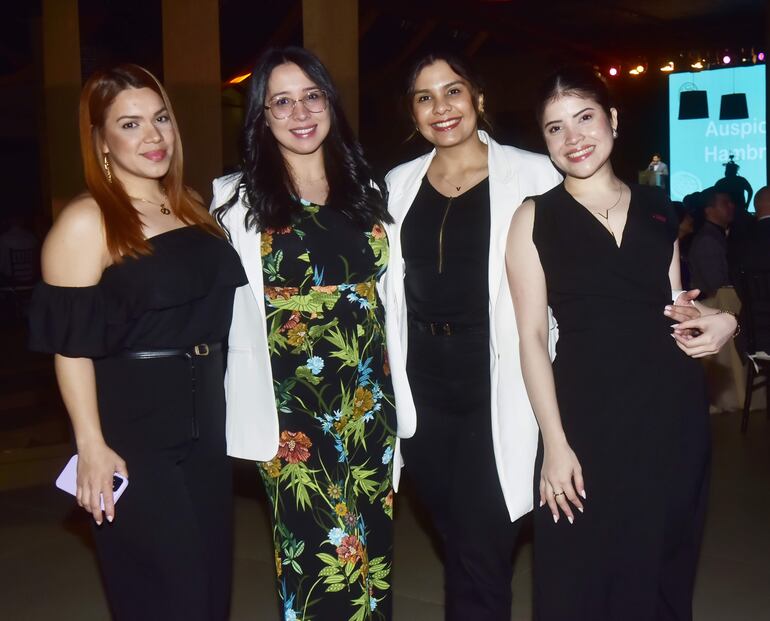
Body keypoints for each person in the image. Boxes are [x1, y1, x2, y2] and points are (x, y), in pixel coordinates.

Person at [506, 65, 738, 621]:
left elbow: (677, 307)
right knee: (578, 577)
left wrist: (724, 322)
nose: (573, 137)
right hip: (587, 417)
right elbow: (531, 338)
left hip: (671, 413)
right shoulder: (534, 217)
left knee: (661, 569)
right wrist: (554, 444)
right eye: (556, 128)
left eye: (584, 117)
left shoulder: (660, 209)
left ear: (612, 119)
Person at [28, 64, 246, 620]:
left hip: (207, 422)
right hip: (136, 430)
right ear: (101, 141)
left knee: (211, 590)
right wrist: (91, 446)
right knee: (172, 593)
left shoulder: (189, 205)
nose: (153, 136)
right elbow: (71, 348)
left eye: (161, 118)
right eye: (130, 124)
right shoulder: (87, 221)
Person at [211, 47, 415, 621]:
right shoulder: (234, 200)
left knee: (372, 551)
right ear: (261, 115)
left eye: (312, 96)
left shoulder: (367, 188)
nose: (300, 112)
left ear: (330, 103)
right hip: (292, 414)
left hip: (369, 403)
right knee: (323, 562)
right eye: (282, 101)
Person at [383, 52, 561, 620]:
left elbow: (590, 259)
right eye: (425, 97)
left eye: (452, 90)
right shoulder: (397, 184)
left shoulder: (535, 174)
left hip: (499, 381)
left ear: (477, 97)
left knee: (481, 546)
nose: (441, 107)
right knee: (458, 539)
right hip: (422, 388)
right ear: (412, 113)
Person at [689, 187, 736, 298]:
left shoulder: (718, 234)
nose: (732, 206)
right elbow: (718, 285)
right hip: (717, 304)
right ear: (709, 210)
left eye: (731, 202)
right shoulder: (707, 240)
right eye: (725, 203)